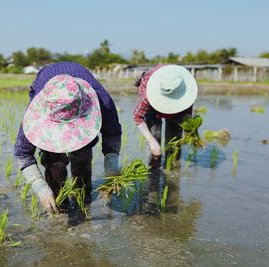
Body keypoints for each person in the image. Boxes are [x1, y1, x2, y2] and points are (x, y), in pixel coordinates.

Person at [14, 62, 122, 214]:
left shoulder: (101, 100)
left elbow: (112, 133)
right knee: (53, 159)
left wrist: (111, 164)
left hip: (80, 100)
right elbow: (22, 152)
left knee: (82, 153)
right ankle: (59, 203)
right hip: (47, 87)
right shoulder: (37, 110)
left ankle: (83, 200)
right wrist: (41, 189)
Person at [133, 64, 198, 162]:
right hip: (153, 106)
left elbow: (187, 114)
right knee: (155, 135)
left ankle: (173, 164)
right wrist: (152, 142)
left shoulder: (186, 89)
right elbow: (137, 117)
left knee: (174, 139)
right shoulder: (149, 93)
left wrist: (190, 128)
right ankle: (154, 167)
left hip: (178, 105)